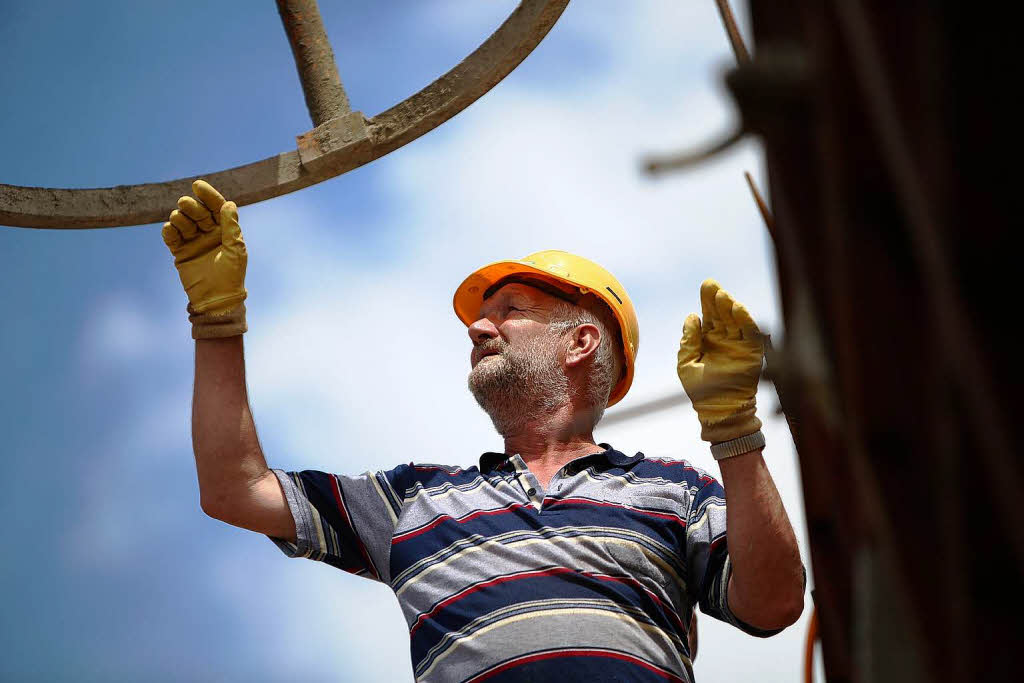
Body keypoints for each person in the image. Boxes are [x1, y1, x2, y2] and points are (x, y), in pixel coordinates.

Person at [162, 180, 805, 682]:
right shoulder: (411, 503)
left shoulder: (675, 490)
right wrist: (217, 321)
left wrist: (734, 433)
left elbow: (773, 603)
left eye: (511, 312)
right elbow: (234, 490)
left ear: (580, 342)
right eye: (481, 317)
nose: (478, 328)